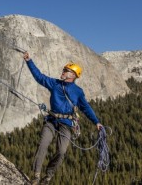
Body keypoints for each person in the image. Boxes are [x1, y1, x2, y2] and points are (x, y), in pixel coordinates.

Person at [23, 52, 103, 185]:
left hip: (67, 124)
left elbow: (86, 108)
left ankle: (48, 176)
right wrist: (29, 61)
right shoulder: (54, 83)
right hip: (52, 121)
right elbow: (39, 77)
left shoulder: (78, 91)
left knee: (61, 151)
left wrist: (97, 122)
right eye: (64, 70)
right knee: (43, 144)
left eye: (66, 71)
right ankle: (36, 176)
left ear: (73, 75)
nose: (63, 72)